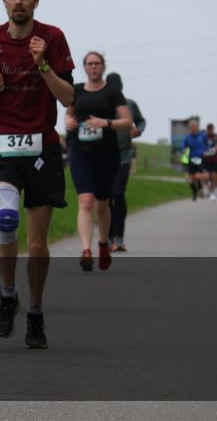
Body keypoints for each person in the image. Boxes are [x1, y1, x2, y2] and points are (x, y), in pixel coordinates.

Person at [0, 0, 74, 349]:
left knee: (39, 243)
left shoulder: (53, 38)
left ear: (36, 2)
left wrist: (43, 65)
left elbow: (67, 97)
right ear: (4, 0)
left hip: (41, 144)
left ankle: (36, 311)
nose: (18, 2)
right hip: (1, 142)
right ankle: (8, 295)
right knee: (6, 219)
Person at [64, 53, 133, 272]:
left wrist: (106, 122)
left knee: (102, 202)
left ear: (103, 67)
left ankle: (103, 243)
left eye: (97, 63)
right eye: (89, 64)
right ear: (84, 67)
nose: (93, 67)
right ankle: (86, 250)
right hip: (80, 152)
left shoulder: (112, 92)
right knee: (85, 201)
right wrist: (69, 122)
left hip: (107, 153)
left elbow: (127, 121)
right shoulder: (76, 90)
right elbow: (68, 115)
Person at [104, 73, 145, 252]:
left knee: (118, 194)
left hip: (124, 156)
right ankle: (109, 235)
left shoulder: (130, 104)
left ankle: (119, 237)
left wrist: (138, 130)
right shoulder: (101, 103)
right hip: (103, 156)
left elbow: (141, 122)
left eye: (116, 86)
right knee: (106, 198)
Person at [180, 120, 210, 201]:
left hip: (200, 158)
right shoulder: (187, 138)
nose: (192, 128)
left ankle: (203, 185)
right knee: (190, 179)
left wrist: (206, 151)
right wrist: (183, 150)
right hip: (191, 159)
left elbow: (207, 145)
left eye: (194, 127)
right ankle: (195, 193)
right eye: (191, 127)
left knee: (197, 175)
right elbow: (183, 146)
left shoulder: (202, 136)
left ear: (197, 127)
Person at [203, 123, 217, 199]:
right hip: (205, 159)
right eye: (209, 129)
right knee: (205, 176)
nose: (210, 131)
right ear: (207, 129)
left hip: (215, 159)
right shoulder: (203, 137)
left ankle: (212, 191)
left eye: (211, 129)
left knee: (214, 176)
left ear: (213, 129)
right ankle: (207, 188)